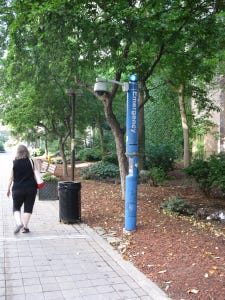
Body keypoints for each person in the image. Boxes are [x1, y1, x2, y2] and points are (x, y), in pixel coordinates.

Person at [7, 144, 38, 234]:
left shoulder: (14, 162)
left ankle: (18, 222)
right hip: (31, 188)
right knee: (28, 207)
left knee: (16, 207)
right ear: (26, 151)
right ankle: (25, 227)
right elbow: (36, 174)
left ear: (17, 152)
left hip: (17, 188)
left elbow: (11, 178)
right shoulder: (32, 161)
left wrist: (8, 189)